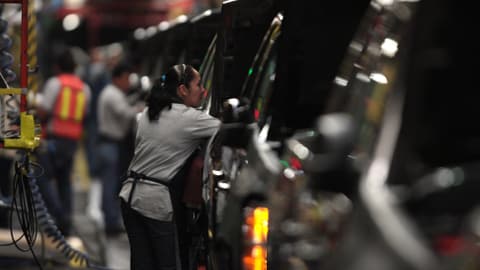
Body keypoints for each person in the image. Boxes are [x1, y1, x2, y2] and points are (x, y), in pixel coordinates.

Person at [119, 64, 220, 270]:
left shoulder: (149, 112)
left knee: (142, 265)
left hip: (129, 197)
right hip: (156, 203)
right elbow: (228, 129)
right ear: (182, 90)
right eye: (199, 84)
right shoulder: (189, 118)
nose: (203, 90)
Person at [35, 48, 91, 236]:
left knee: (41, 177)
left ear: (57, 67)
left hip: (53, 140)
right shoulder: (84, 88)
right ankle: (65, 223)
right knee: (64, 183)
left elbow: (43, 111)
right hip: (72, 141)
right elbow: (84, 114)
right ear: (75, 67)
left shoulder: (54, 84)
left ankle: (57, 215)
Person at [97, 61, 143, 235]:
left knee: (111, 184)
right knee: (110, 185)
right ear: (117, 78)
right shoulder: (113, 94)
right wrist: (141, 108)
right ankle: (110, 223)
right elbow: (125, 113)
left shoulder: (113, 93)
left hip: (110, 145)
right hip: (110, 145)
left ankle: (111, 220)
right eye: (126, 78)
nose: (128, 82)